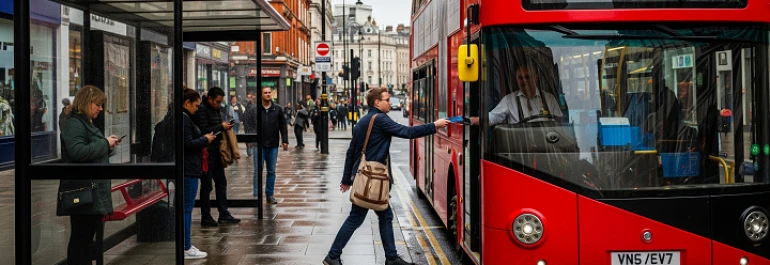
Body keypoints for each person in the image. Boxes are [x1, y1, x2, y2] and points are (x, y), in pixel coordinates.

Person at [323, 88, 450, 265]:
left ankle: (390, 257)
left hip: (365, 178)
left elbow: (351, 152)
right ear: (377, 102)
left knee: (384, 215)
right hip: (372, 180)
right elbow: (407, 132)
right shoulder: (380, 119)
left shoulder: (363, 121)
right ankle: (333, 255)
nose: (390, 103)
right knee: (357, 218)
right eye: (387, 100)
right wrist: (434, 125)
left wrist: (347, 179)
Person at [58, 85, 121, 265]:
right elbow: (77, 152)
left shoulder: (84, 123)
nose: (101, 109)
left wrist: (108, 146)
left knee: (85, 237)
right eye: (98, 105)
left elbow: (89, 152)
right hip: (82, 190)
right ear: (86, 103)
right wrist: (104, 143)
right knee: (81, 237)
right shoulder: (74, 124)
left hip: (91, 189)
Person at [194, 86, 241, 226]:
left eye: (221, 102)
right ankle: (206, 216)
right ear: (210, 99)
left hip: (216, 152)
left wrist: (224, 126)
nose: (219, 104)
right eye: (217, 101)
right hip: (207, 153)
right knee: (207, 185)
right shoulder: (202, 110)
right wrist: (221, 126)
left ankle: (224, 213)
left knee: (221, 183)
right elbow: (203, 130)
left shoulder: (216, 109)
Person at [182, 88, 216, 259]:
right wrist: (205, 140)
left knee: (185, 208)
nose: (197, 108)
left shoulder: (185, 117)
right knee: (187, 209)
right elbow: (187, 143)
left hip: (188, 167)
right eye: (195, 105)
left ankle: (186, 244)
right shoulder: (184, 119)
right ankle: (186, 247)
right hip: (188, 169)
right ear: (187, 103)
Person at [470, 65, 562, 125]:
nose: (524, 81)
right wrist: (473, 120)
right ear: (516, 79)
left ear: (536, 78)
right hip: (519, 149)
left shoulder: (549, 98)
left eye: (527, 77)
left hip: (546, 148)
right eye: (520, 78)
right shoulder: (509, 100)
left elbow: (559, 123)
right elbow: (493, 117)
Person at [249, 87, 289, 204]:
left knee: (271, 171)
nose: (267, 94)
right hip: (258, 145)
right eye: (265, 93)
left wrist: (285, 140)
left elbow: (283, 125)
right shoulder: (255, 109)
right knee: (258, 170)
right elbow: (249, 124)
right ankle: (257, 195)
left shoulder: (277, 109)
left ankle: (269, 194)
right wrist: (250, 139)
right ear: (261, 95)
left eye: (269, 93)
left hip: (272, 144)